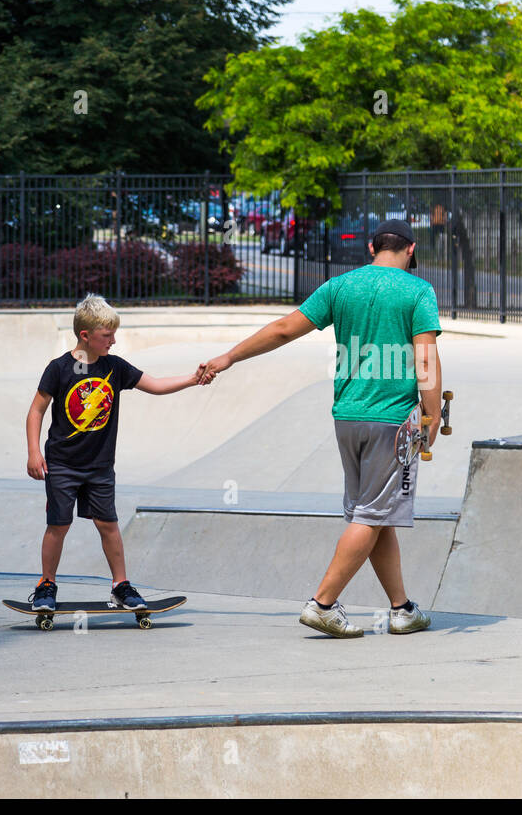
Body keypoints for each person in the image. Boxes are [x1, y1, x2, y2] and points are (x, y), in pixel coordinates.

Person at [200, 220, 443, 638]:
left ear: (371, 247)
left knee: (373, 513)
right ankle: (322, 604)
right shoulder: (417, 291)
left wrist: (229, 357)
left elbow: (282, 330)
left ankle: (402, 608)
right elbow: (425, 358)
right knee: (371, 515)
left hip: (347, 417)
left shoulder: (340, 287)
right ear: (411, 250)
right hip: (390, 420)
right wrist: (433, 414)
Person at [25, 293, 207, 611]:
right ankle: (46, 585)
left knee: (107, 524)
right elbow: (36, 410)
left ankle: (120, 585)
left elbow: (156, 384)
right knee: (58, 524)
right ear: (86, 335)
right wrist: (33, 452)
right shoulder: (59, 369)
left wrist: (193, 379)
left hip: (99, 466)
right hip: (63, 463)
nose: (113, 341)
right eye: (107, 335)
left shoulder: (115, 367)